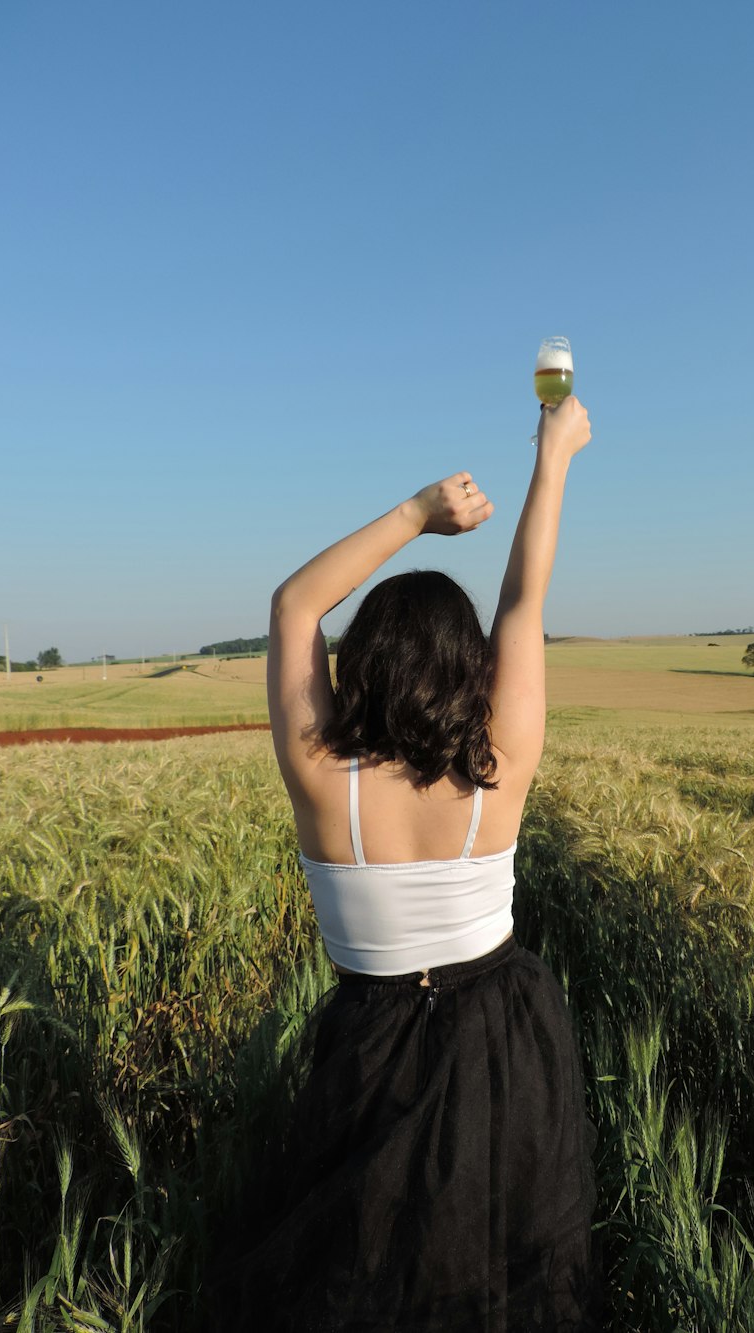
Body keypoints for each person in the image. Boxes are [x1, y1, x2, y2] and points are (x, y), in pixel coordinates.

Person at [216, 396, 598, 1331]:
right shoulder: (498, 769)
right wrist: (554, 457)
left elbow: (294, 603)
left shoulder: (325, 782)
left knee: (363, 1283)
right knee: (501, 1279)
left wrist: (417, 513)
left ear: (365, 664)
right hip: (506, 1044)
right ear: (467, 668)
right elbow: (522, 601)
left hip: (368, 1048)